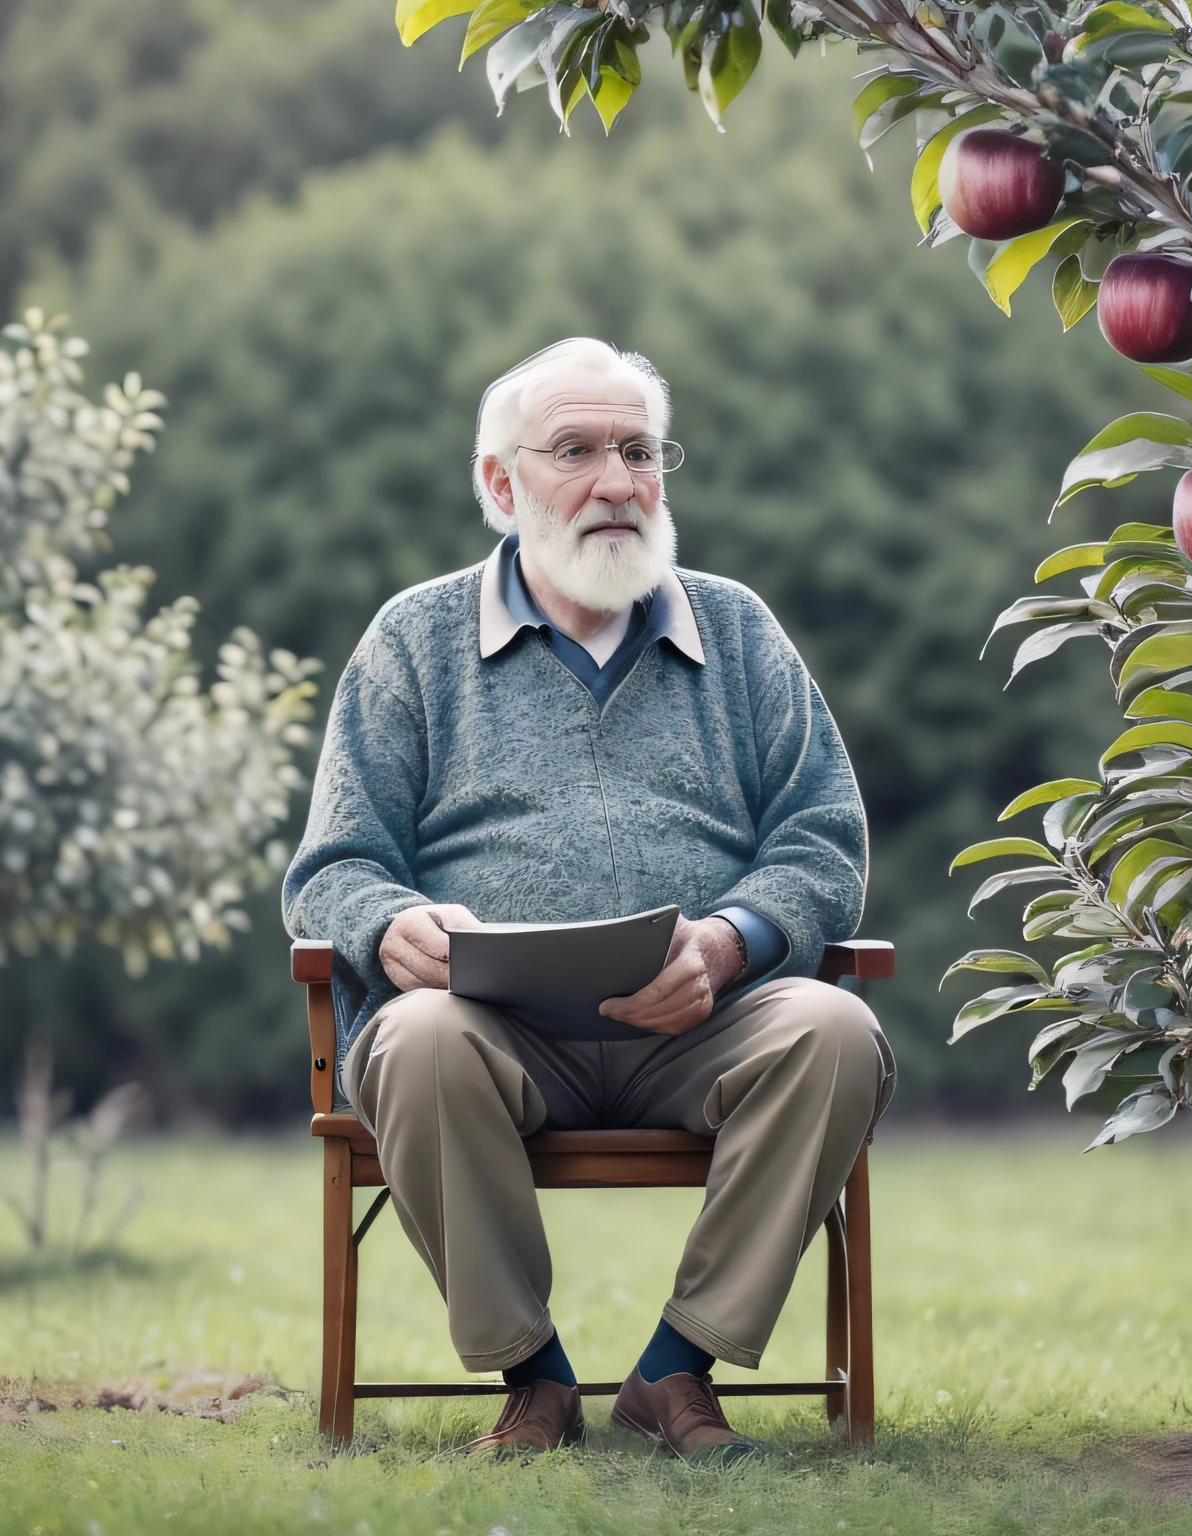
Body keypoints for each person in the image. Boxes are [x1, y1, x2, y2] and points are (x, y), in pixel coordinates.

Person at [283, 337, 894, 1461]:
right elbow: (333, 870)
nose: (618, 481)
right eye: (577, 450)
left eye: (639, 450)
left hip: (703, 1025)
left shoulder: (741, 629)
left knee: (838, 1028)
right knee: (413, 1037)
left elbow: (823, 838)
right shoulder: (412, 643)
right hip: (487, 1035)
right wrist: (389, 926)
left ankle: (676, 1370)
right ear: (499, 484)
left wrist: (729, 942)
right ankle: (537, 1382)